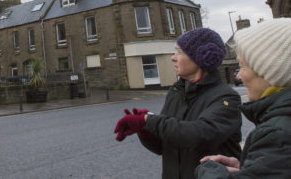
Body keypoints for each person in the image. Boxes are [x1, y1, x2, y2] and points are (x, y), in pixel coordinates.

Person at [114, 27, 242, 179]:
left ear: (200, 57)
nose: (173, 57)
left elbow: (199, 134)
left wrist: (148, 120)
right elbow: (164, 146)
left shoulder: (226, 97)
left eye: (180, 52)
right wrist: (145, 131)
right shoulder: (176, 92)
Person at [196, 18, 291, 178]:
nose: (239, 75)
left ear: (270, 69)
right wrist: (251, 167)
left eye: (243, 66)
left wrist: (210, 172)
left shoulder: (277, 135)